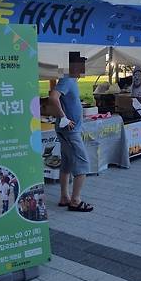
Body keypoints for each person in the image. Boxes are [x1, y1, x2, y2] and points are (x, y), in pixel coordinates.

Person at [49, 52, 93, 212]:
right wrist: (64, 118)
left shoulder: (70, 80)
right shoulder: (67, 79)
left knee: (67, 163)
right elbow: (53, 97)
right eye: (81, 64)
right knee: (83, 164)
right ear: (73, 65)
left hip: (68, 130)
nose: (84, 67)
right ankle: (75, 200)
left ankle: (64, 197)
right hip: (70, 131)